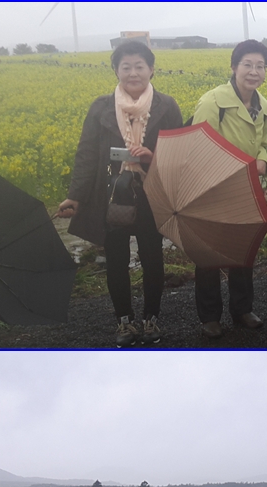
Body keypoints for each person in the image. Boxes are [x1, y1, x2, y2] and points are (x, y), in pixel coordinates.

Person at [56, 41, 182, 347]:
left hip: (151, 193)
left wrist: (152, 156)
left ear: (152, 69)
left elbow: (179, 152)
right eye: (126, 67)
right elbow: (86, 154)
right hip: (112, 194)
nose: (133, 73)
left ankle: (151, 318)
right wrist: (75, 196)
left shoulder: (167, 105)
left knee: (153, 258)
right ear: (116, 70)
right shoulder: (100, 107)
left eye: (140, 66)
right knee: (116, 260)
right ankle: (124, 322)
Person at [191, 39, 267, 339]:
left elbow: (262, 144)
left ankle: (242, 309)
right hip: (212, 189)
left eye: (260, 66)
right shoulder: (213, 102)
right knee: (209, 253)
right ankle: (210, 316)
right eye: (248, 65)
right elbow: (198, 146)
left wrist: (262, 161)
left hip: (247, 189)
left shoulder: (264, 106)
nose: (254, 71)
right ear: (234, 67)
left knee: (243, 250)